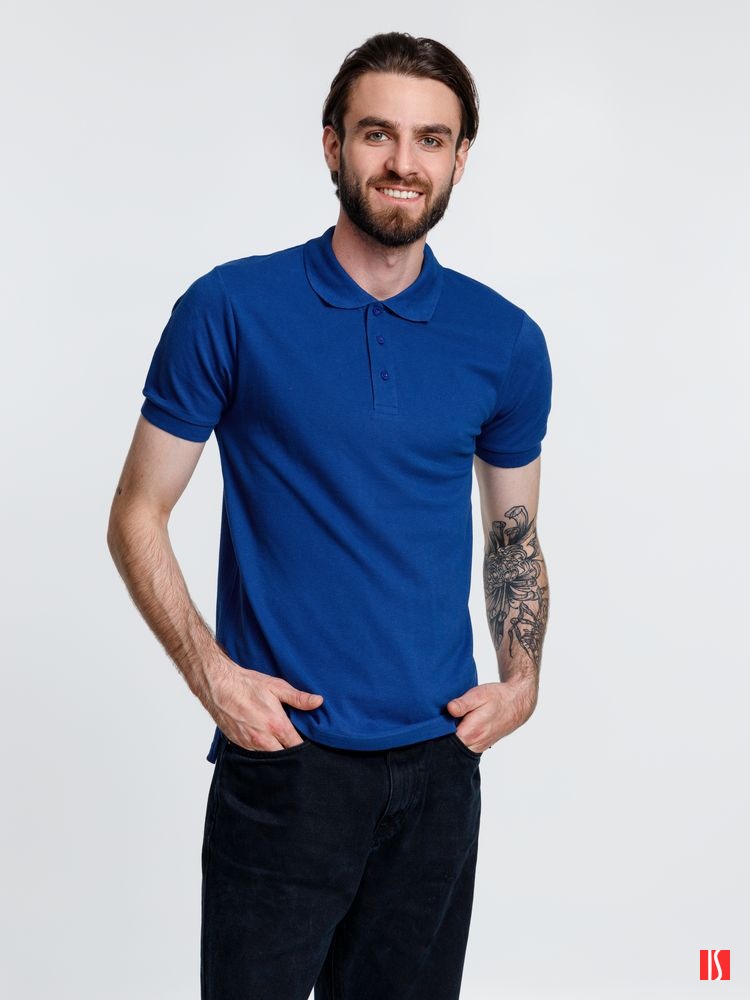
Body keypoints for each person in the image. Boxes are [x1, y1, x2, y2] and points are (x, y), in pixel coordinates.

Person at [107, 30, 553, 1000]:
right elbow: (137, 511)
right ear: (332, 145)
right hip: (287, 763)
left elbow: (513, 536)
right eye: (378, 133)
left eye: (431, 139)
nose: (404, 162)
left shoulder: (505, 341)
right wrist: (212, 675)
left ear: (460, 158)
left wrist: (521, 678)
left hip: (439, 769)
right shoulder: (230, 309)